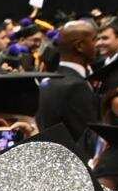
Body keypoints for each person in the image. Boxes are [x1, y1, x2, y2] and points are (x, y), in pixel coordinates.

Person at [38, 19, 101, 158]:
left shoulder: (48, 80)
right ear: (80, 46)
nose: (99, 44)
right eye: (95, 40)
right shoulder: (76, 87)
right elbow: (87, 139)